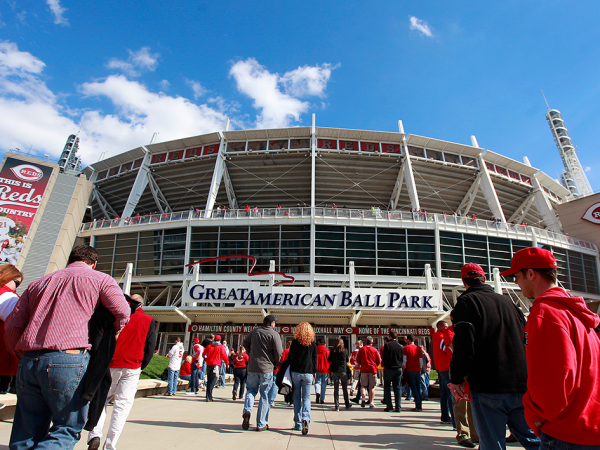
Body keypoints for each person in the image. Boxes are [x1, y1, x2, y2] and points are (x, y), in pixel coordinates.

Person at [5, 245, 130, 450]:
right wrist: (115, 331)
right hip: (69, 358)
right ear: (94, 263)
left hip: (29, 359)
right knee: (66, 429)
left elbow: (13, 324)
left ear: (69, 260)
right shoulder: (101, 279)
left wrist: (18, 353)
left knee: (25, 432)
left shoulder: (38, 283)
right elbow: (122, 311)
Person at [502, 247, 600, 448]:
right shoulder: (576, 311)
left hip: (566, 430)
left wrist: (535, 416)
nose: (515, 282)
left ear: (531, 273)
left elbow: (554, 378)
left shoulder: (545, 312)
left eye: (517, 276)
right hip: (589, 423)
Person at [449, 262, 540, 450]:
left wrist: (456, 379)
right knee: (533, 440)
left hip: (488, 385)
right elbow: (526, 338)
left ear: (464, 282)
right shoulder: (509, 302)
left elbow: (464, 344)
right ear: (484, 278)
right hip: (521, 384)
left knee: (492, 444)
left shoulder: (466, 302)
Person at [87, 293, 156, 450]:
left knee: (101, 400)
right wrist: (140, 365)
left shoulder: (116, 315)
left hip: (110, 364)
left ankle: (95, 434)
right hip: (132, 366)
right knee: (122, 406)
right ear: (142, 305)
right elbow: (150, 348)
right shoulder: (148, 320)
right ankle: (110, 445)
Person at [241, 315, 282, 431]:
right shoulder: (274, 334)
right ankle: (261, 423)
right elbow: (279, 352)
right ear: (272, 323)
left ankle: (247, 410)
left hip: (253, 367)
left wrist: (251, 354)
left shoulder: (254, 332)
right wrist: (277, 363)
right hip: (266, 368)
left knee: (250, 390)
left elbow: (245, 343)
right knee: (264, 395)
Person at [287, 322, 317, 435]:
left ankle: (298, 423)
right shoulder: (313, 343)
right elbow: (315, 359)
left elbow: (290, 357)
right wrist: (314, 371)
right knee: (306, 398)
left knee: (296, 398)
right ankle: (306, 418)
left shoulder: (295, 343)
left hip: (296, 371)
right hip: (308, 372)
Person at [0, 264, 22, 396]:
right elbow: (17, 322)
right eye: (16, 282)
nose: (16, 287)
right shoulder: (8, 296)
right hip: (3, 358)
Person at [432, 320, 455, 426]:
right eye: (445, 326)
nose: (447, 328)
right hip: (446, 366)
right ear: (439, 327)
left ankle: (445, 416)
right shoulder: (442, 338)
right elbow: (449, 349)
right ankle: (455, 421)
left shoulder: (435, 338)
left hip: (440, 367)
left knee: (444, 394)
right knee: (451, 393)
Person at [356, 336, 381, 409]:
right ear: (372, 342)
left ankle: (363, 398)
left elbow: (358, 360)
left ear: (365, 342)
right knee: (372, 387)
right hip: (372, 369)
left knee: (363, 385)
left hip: (364, 369)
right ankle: (371, 402)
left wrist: (362, 364)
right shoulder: (375, 350)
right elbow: (379, 361)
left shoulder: (362, 350)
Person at [381, 331, 403, 412]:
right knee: (397, 388)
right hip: (398, 368)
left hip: (389, 368)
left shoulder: (387, 345)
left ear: (390, 337)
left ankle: (389, 406)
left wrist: (384, 366)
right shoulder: (400, 346)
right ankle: (398, 407)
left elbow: (385, 357)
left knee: (387, 387)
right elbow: (401, 358)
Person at [327, 338, 351, 411]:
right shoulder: (345, 351)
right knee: (345, 389)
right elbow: (347, 360)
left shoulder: (332, 351)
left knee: (336, 389)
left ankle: (337, 405)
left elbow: (329, 360)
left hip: (335, 371)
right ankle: (347, 403)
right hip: (343, 371)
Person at [203, 335, 228, 402]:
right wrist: (227, 364)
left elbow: (204, 354)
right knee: (213, 380)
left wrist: (207, 359)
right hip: (216, 365)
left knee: (209, 380)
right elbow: (224, 356)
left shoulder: (209, 346)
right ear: (220, 340)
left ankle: (209, 396)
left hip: (209, 364)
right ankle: (209, 396)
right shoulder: (220, 347)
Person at [402, 335, 423, 412]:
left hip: (410, 369)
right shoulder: (418, 349)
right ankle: (419, 405)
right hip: (417, 370)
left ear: (409, 340)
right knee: (418, 388)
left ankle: (418, 406)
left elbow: (404, 360)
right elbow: (421, 361)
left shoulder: (406, 348)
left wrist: (403, 368)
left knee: (413, 388)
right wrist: (420, 369)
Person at [315, 339, 330, 404]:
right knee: (324, 384)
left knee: (317, 382)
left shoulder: (315, 351)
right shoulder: (327, 351)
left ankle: (317, 392)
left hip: (317, 369)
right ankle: (322, 399)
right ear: (324, 344)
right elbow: (329, 361)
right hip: (325, 370)